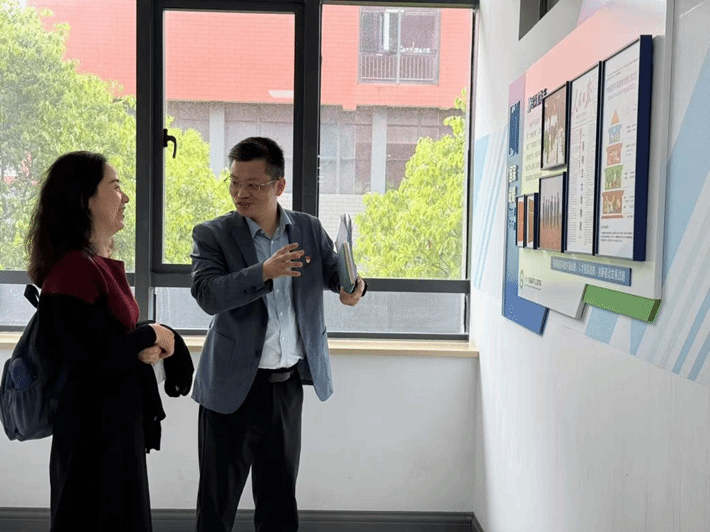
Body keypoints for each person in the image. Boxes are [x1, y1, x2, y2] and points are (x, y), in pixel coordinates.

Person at [190, 137, 366, 532]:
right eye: (235, 182)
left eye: (253, 185)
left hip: (285, 388)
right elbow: (207, 294)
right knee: (217, 505)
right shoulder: (213, 234)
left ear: (279, 186)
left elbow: (336, 273)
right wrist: (263, 272)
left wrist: (354, 287)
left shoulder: (307, 228)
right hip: (231, 388)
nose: (241, 193)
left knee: (279, 504)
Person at [25, 151, 177, 532]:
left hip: (112, 433)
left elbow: (105, 337)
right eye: (115, 187)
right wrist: (151, 334)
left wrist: (145, 340)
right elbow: (89, 360)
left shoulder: (91, 264)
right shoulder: (74, 270)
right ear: (84, 200)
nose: (125, 197)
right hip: (92, 442)